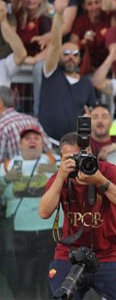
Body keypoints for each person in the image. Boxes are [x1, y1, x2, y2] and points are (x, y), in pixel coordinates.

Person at [39, 131, 116, 300]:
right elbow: (44, 212)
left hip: (110, 253)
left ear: (91, 154)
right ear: (61, 159)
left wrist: (100, 181)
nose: (77, 163)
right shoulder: (60, 177)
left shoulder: (106, 171)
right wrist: (62, 175)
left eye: (82, 157)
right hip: (70, 254)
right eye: (71, 158)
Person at [0, 126, 57, 299]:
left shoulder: (55, 160)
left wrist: (55, 172)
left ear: (42, 143)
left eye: (36, 138)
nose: (32, 140)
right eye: (27, 138)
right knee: (24, 276)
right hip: (20, 231)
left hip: (51, 228)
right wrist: (6, 179)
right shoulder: (7, 166)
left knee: (52, 276)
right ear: (19, 144)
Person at [36, 0, 96, 141]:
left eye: (75, 54)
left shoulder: (86, 83)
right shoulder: (50, 73)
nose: (70, 57)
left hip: (75, 144)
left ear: (80, 58)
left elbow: (91, 113)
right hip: (48, 143)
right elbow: (55, 44)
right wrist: (59, 14)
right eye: (66, 53)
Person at [0, 86, 50, 161]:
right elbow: (49, 150)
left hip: (11, 172)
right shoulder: (32, 120)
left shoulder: (2, 126)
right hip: (39, 170)